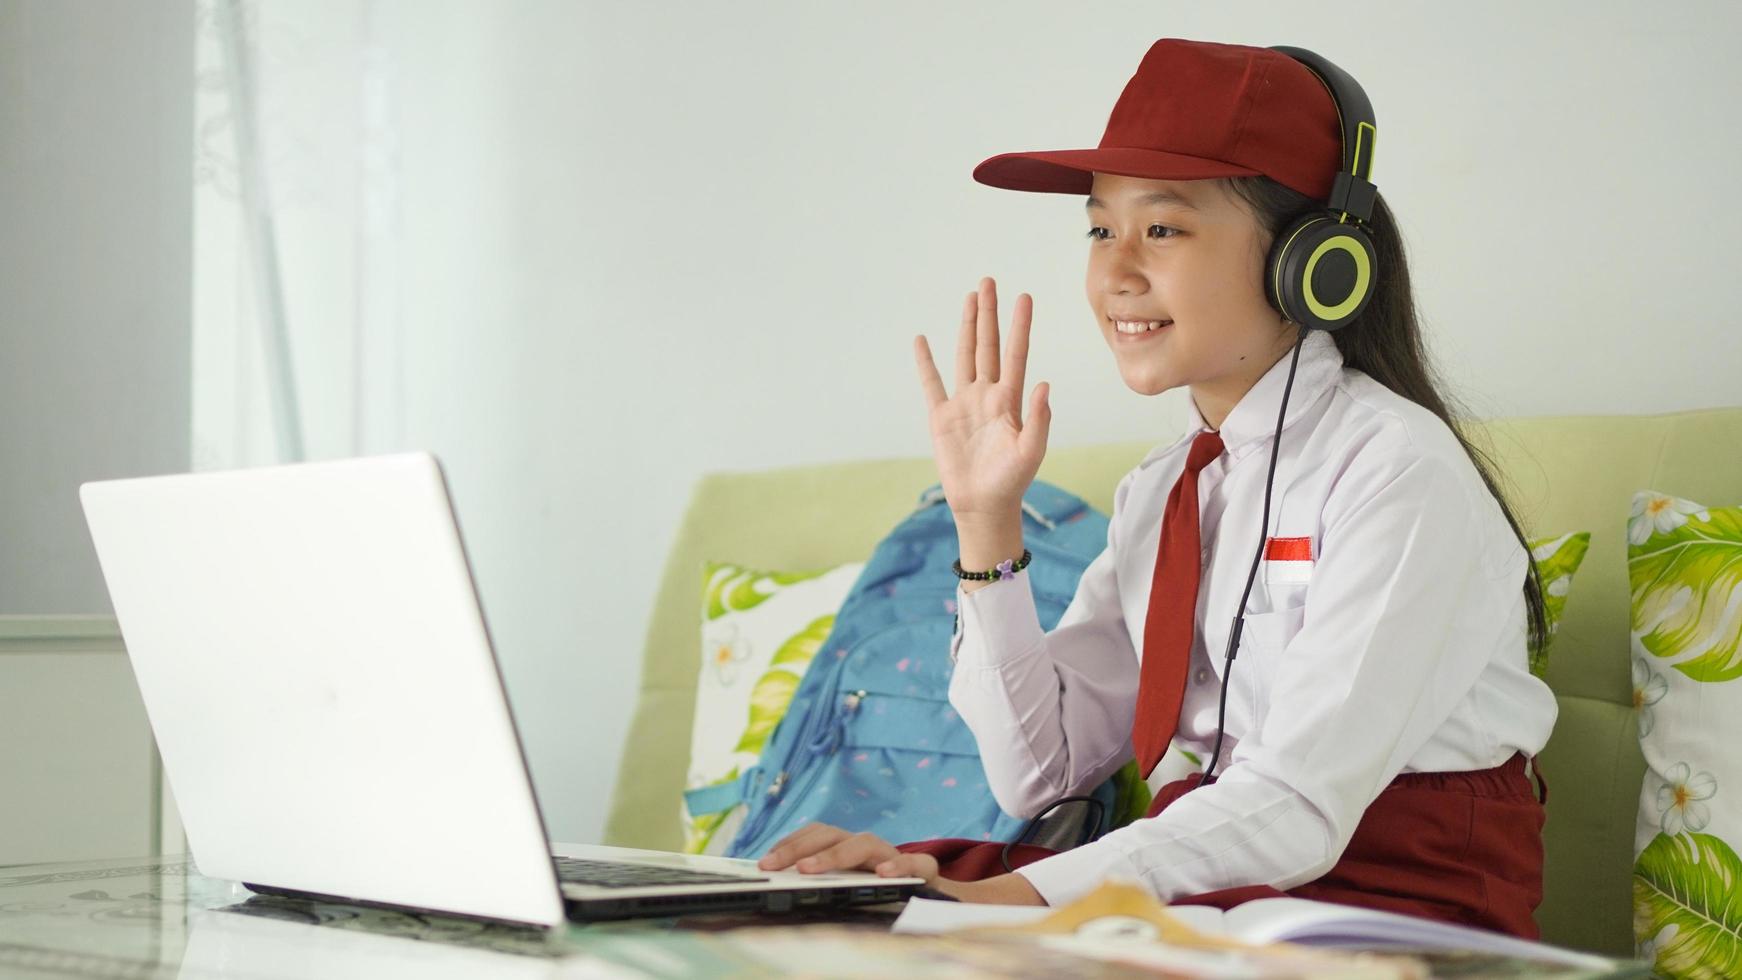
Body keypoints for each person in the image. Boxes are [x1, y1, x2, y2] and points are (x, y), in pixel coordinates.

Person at [756, 37, 1557, 939]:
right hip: (1212, 866)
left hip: (1394, 893)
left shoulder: (1395, 471)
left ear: (1314, 259)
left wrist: (1000, 906)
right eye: (1100, 228)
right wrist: (986, 524)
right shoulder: (1164, 490)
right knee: (858, 910)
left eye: (1163, 228)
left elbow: (1294, 808)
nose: (1115, 272)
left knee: (961, 921)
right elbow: (1040, 770)